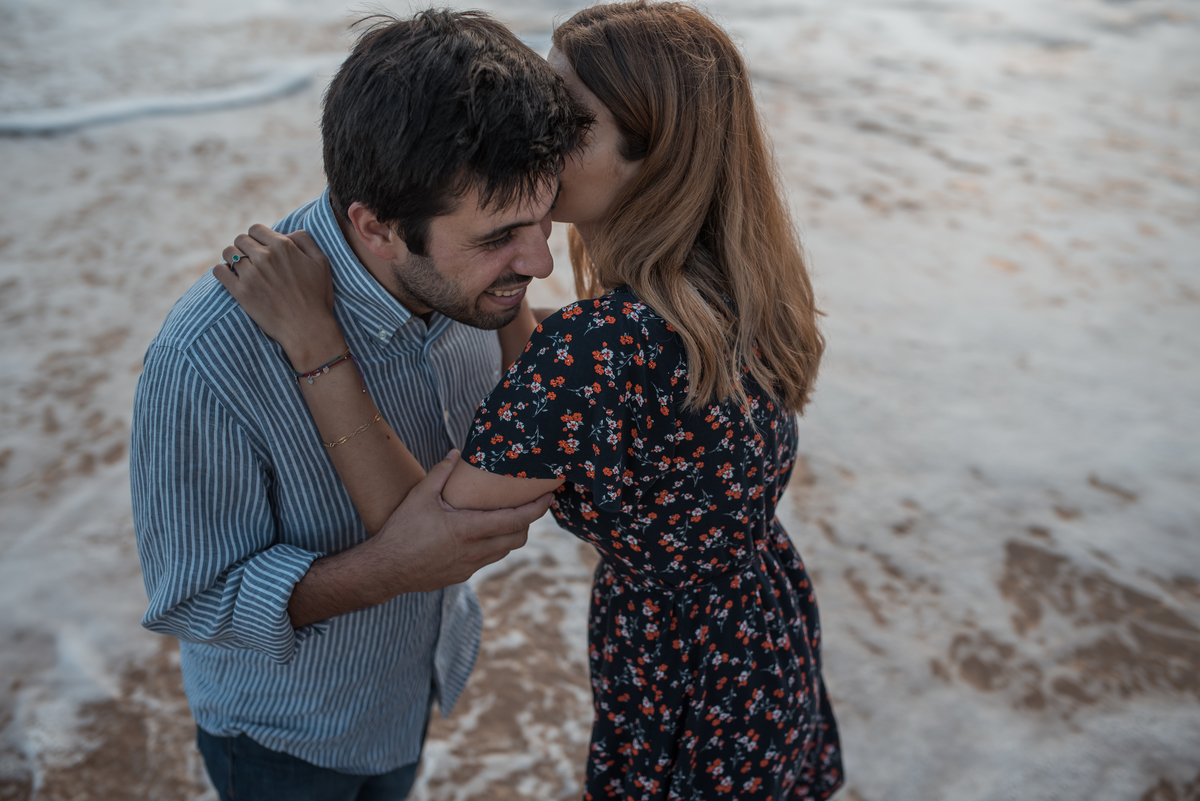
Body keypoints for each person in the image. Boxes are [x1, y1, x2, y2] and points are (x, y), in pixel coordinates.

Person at [220, 2, 844, 798]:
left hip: (684, 679)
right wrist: (508, 274)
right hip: (761, 636)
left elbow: (430, 532)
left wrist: (315, 342)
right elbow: (561, 390)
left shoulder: (603, 345)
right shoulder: (732, 286)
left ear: (648, 158)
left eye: (569, 121)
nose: (537, 133)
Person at [129, 10, 592, 800]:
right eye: (500, 237)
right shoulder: (206, 359)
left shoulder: (475, 284)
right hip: (289, 737)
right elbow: (195, 596)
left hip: (415, 681)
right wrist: (386, 570)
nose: (541, 259)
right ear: (376, 228)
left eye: (543, 220)